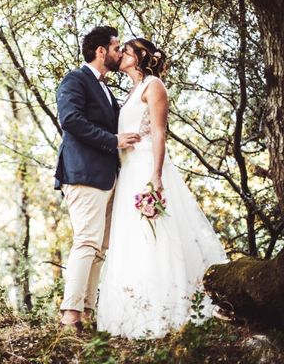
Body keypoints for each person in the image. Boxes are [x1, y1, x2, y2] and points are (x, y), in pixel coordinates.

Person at [96, 37, 227, 339]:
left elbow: (158, 131)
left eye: (126, 51)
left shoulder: (154, 86)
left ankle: (168, 311)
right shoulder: (130, 91)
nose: (122, 54)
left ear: (140, 57)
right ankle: (132, 312)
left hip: (145, 168)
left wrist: (156, 175)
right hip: (128, 169)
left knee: (155, 236)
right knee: (133, 238)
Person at [54, 26, 141, 331]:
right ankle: (69, 315)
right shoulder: (75, 79)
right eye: (117, 48)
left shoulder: (106, 89)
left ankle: (86, 311)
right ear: (101, 51)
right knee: (87, 241)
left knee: (100, 248)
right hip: (83, 174)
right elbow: (70, 120)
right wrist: (113, 140)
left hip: (107, 177)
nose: (120, 53)